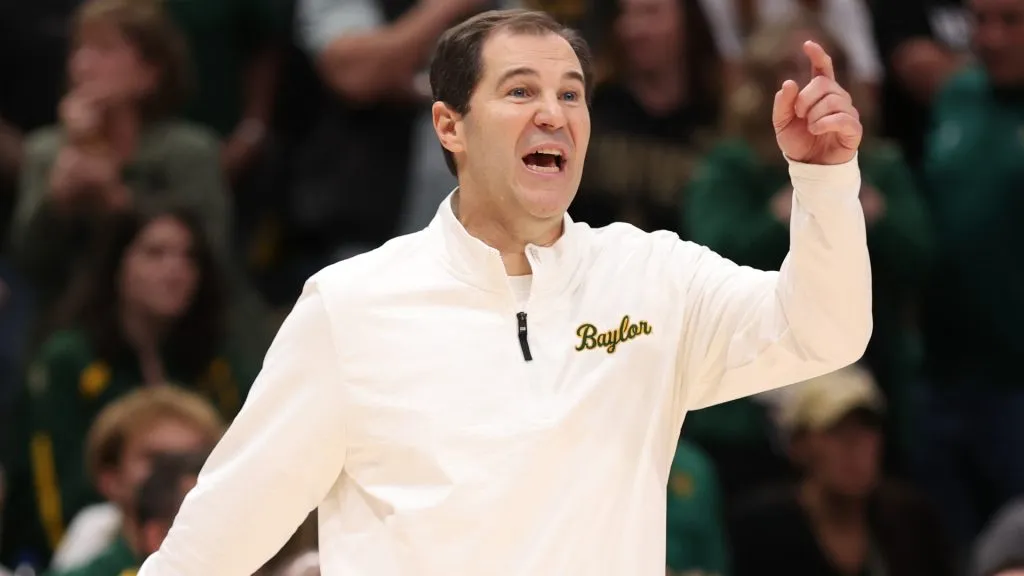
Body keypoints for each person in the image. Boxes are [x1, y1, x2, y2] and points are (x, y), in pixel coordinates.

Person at [140, 8, 870, 575]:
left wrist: (827, 182)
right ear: (449, 126)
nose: (553, 113)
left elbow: (823, 333)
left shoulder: (653, 278)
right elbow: (223, 531)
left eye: (572, 94)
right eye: (520, 90)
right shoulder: (352, 306)